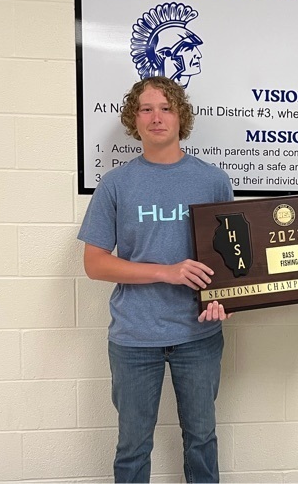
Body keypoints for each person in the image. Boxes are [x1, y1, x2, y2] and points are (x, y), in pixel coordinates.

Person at [78, 76, 232, 482]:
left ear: (181, 117)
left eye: (166, 108)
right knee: (133, 446)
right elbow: (95, 264)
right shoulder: (116, 184)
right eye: (146, 109)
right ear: (134, 119)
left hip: (198, 334)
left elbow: (230, 258)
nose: (156, 117)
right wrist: (167, 271)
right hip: (134, 336)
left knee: (201, 440)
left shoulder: (213, 180)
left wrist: (226, 297)